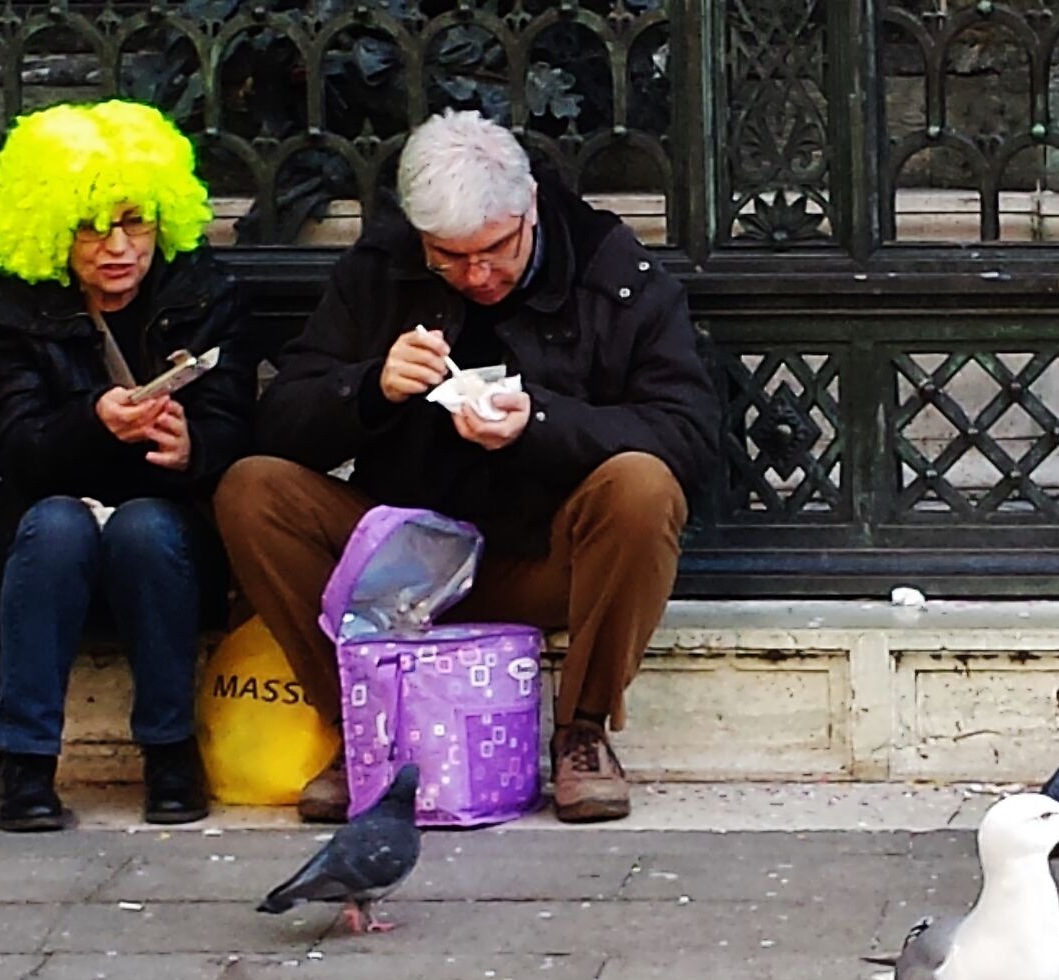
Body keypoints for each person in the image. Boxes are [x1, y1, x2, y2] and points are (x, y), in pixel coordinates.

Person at [216, 110, 721, 825]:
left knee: (642, 485)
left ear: (531, 209)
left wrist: (540, 421)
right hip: (404, 561)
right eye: (448, 258)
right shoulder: (382, 271)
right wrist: (370, 388)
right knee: (251, 490)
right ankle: (367, 727)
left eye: (495, 250)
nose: (476, 275)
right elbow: (280, 424)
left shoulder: (615, 273)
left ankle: (583, 729)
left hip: (547, 557)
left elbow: (690, 440)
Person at [0, 100, 256, 831]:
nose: (119, 247)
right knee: (55, 525)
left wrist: (193, 449)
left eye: (135, 222)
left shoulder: (206, 292)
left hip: (169, 539)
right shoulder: (11, 301)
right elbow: (15, 447)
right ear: (50, 231)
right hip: (52, 535)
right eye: (91, 227)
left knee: (145, 527)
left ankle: (171, 752)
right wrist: (94, 423)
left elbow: (238, 427)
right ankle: (24, 764)